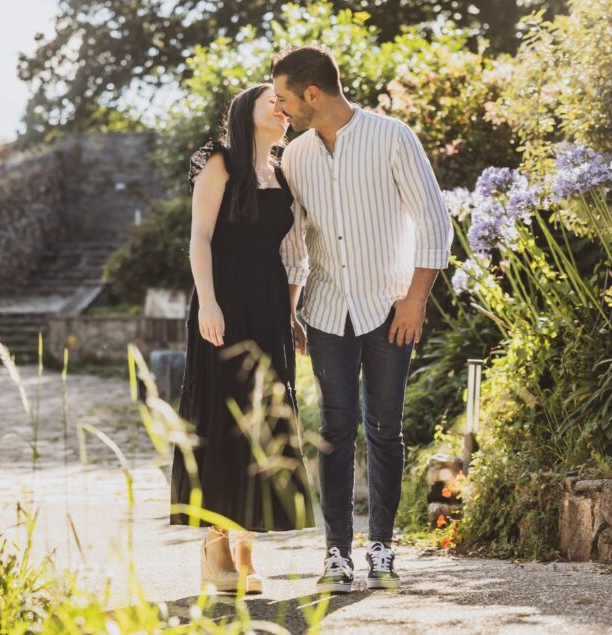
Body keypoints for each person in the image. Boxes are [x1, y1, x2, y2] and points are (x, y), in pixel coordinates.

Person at [272, 45, 453, 593]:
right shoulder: (294, 156)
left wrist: (415, 299)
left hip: (388, 307)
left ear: (312, 95)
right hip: (327, 311)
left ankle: (381, 547)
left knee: (385, 429)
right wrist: (292, 310)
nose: (279, 110)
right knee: (334, 430)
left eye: (283, 98)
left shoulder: (392, 136)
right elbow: (294, 243)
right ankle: (335, 554)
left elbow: (434, 221)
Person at [169, 83, 316, 596]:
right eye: (269, 101)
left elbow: (293, 248)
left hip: (270, 304)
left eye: (283, 102)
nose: (281, 107)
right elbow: (200, 239)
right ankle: (214, 548)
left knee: (264, 420)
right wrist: (209, 302)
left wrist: (292, 313)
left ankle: (246, 548)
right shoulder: (218, 161)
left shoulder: (283, 170)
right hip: (224, 300)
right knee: (223, 415)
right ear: (244, 112)